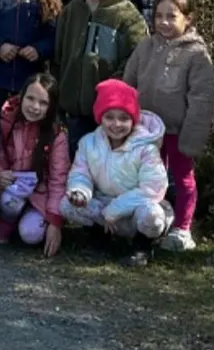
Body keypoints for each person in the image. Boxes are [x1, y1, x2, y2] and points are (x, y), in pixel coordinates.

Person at [123, 0, 214, 252]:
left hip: (176, 130)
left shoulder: (197, 55)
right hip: (144, 130)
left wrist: (192, 138)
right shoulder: (145, 46)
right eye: (159, 16)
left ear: (188, 19)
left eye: (171, 16)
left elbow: (201, 101)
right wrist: (123, 119)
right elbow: (128, 83)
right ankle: (148, 223)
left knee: (182, 178)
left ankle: (182, 228)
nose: (163, 22)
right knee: (147, 179)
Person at [62, 79, 172, 267]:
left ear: (133, 120)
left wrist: (114, 211)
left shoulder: (147, 148)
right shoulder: (88, 142)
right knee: (66, 204)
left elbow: (152, 189)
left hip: (136, 209)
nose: (116, 124)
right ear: (100, 117)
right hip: (104, 204)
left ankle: (142, 246)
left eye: (123, 118)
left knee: (153, 216)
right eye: (109, 117)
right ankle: (100, 238)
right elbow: (80, 173)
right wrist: (80, 191)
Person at [53, 0, 148, 153]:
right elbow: (58, 54)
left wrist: (114, 85)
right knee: (75, 157)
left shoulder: (125, 14)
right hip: (74, 107)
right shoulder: (70, 11)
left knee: (105, 159)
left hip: (109, 109)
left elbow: (137, 56)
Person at [0, 74, 70, 257]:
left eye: (43, 103)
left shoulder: (57, 134)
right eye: (30, 98)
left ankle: (33, 220)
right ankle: (8, 221)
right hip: (13, 187)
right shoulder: (7, 121)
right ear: (21, 96)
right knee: (11, 203)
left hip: (41, 194)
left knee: (31, 235)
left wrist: (55, 222)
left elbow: (58, 179)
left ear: (51, 107)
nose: (35, 107)